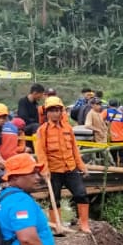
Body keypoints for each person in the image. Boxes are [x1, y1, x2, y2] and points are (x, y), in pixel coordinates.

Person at [35, 96, 91, 234]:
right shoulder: (43, 130)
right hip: (54, 170)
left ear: (61, 112)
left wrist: (81, 166)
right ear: (47, 113)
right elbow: (40, 152)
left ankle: (83, 224)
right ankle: (56, 226)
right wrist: (45, 170)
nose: (55, 113)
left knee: (81, 194)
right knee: (54, 198)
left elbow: (74, 150)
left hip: (70, 168)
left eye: (58, 110)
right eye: (52, 110)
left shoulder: (68, 128)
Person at [106, 100, 123, 167]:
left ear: (109, 105)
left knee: (114, 155)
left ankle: (115, 167)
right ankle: (121, 170)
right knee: (122, 156)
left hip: (112, 138)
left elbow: (100, 120)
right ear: (118, 106)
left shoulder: (106, 112)